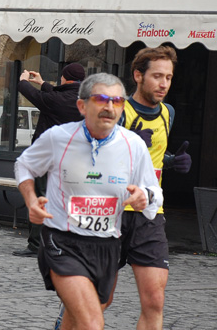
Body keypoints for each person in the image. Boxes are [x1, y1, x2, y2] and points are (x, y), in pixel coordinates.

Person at [15, 73, 162, 330]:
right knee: (92, 322)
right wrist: (31, 201)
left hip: (107, 247)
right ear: (82, 106)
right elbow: (24, 165)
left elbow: (154, 192)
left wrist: (144, 196)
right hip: (62, 242)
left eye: (117, 101)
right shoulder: (59, 137)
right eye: (101, 99)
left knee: (75, 320)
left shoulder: (133, 145)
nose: (109, 107)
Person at [105, 46, 191, 329]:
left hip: (151, 214)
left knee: (155, 299)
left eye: (168, 77)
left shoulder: (168, 113)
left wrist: (171, 162)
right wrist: (125, 143)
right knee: (99, 298)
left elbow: (152, 156)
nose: (164, 84)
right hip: (110, 214)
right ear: (138, 76)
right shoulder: (117, 111)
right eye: (157, 76)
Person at [12, 62, 85, 257]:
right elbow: (58, 95)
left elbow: (36, 96)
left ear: (64, 77)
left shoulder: (57, 100)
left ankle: (37, 244)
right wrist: (43, 82)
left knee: (41, 197)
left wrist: (23, 81)